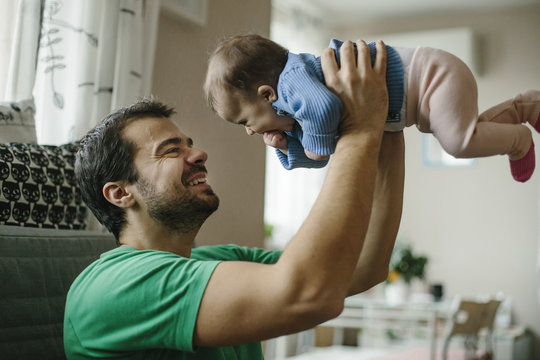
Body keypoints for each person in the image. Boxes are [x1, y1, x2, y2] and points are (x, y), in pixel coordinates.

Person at [64, 40, 405, 359]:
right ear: (121, 193)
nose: (199, 154)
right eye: (171, 150)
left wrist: (386, 119)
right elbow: (309, 294)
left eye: (189, 144)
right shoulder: (114, 286)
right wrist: (359, 130)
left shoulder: (220, 260)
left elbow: (365, 267)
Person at [204, 34, 540, 182]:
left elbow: (322, 112)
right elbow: (324, 154)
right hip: (426, 94)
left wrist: (313, 144)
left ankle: (518, 141)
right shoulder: (292, 102)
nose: (250, 131)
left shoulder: (293, 79)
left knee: (458, 143)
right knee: (469, 133)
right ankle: (524, 108)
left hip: (430, 76)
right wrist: (289, 143)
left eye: (245, 120)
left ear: (267, 94)